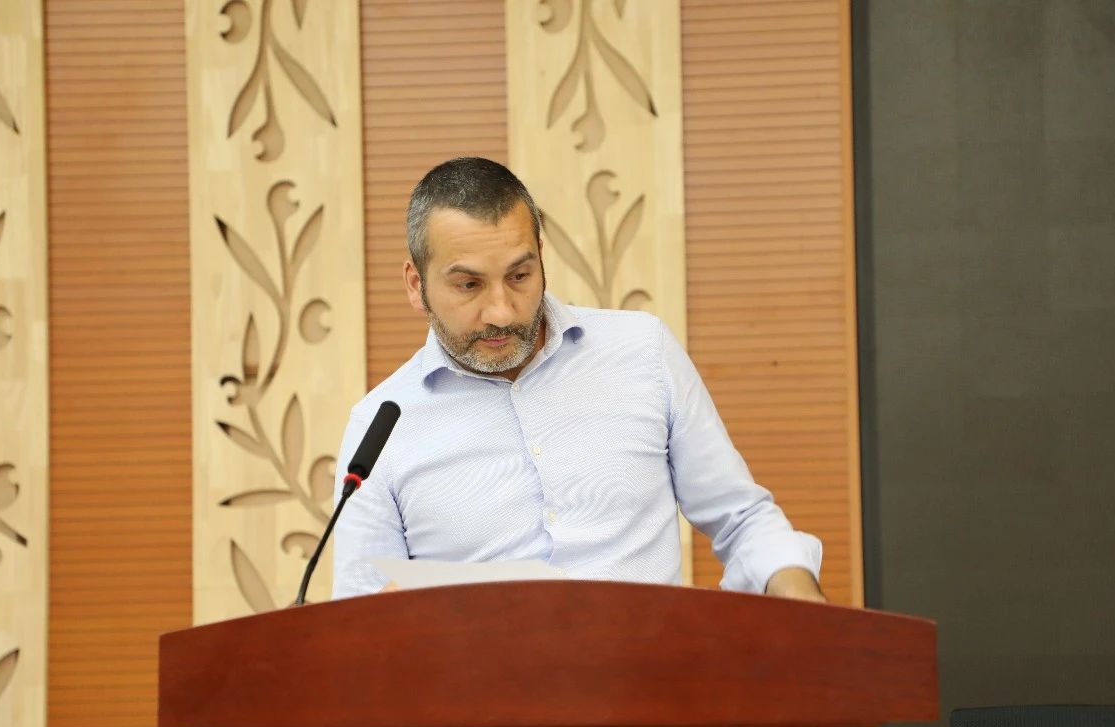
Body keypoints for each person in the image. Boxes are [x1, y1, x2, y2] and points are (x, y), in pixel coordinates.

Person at [331, 157, 826, 603]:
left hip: (650, 670)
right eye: (469, 285)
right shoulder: (378, 430)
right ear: (416, 285)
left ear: (541, 258)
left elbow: (741, 519)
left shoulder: (643, 351)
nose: (502, 311)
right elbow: (360, 616)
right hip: (485, 678)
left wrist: (794, 585)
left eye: (519, 276)